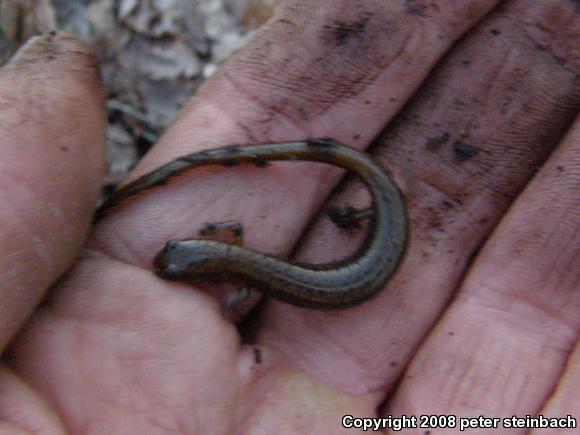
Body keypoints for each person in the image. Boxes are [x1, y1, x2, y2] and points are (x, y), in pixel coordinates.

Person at [0, 1, 578, 433]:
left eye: (183, 265)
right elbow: (233, 252)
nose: (179, 267)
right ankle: (362, 202)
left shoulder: (239, 277)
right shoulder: (237, 262)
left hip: (379, 237)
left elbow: (234, 282)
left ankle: (364, 203)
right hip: (376, 241)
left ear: (212, 271)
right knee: (365, 214)